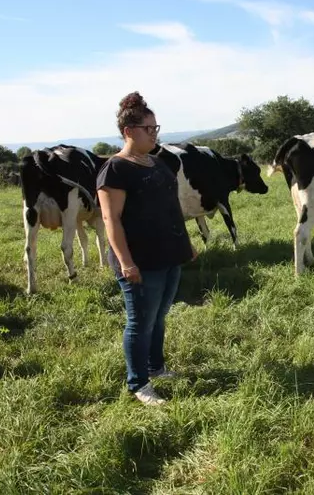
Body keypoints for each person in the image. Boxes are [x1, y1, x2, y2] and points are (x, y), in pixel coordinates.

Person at [96, 91, 196, 406]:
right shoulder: (115, 170)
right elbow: (111, 220)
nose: (155, 134)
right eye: (148, 129)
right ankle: (139, 383)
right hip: (140, 260)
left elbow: (171, 208)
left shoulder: (156, 161)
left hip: (169, 254)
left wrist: (187, 244)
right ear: (129, 132)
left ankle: (156, 367)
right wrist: (126, 262)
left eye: (156, 128)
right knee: (140, 322)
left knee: (160, 316)